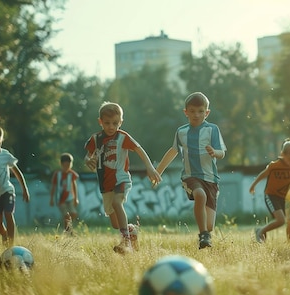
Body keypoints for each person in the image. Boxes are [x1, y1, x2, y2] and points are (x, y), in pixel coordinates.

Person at [84, 101, 161, 253]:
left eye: (115, 123)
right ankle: (131, 230)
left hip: (121, 179)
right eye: (107, 123)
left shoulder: (122, 137)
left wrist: (150, 167)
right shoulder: (95, 139)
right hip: (105, 184)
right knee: (114, 223)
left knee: (117, 203)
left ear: (121, 122)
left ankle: (126, 242)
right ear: (100, 122)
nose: (111, 127)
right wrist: (88, 160)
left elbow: (139, 149)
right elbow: (87, 156)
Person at [156, 92, 227, 249]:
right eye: (192, 111)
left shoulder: (212, 130)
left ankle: (206, 233)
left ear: (207, 112)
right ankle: (203, 236)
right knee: (199, 195)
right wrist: (158, 171)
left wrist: (215, 153)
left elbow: (222, 152)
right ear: (186, 112)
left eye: (201, 111)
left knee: (209, 225)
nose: (196, 115)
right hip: (191, 177)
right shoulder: (181, 132)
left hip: (211, 179)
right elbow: (173, 151)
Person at [250, 138, 290, 243]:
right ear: (283, 154)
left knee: (285, 221)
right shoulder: (275, 165)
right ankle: (260, 231)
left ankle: (261, 231)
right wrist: (253, 185)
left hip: (282, 197)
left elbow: (287, 180)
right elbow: (263, 174)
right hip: (271, 195)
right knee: (281, 220)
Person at [50, 153, 80, 235]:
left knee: (73, 213)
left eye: (69, 165)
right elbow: (53, 186)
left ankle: (68, 228)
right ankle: (69, 231)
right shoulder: (57, 174)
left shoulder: (71, 174)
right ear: (61, 164)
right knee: (66, 214)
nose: (67, 167)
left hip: (70, 198)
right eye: (65, 165)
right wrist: (52, 198)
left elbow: (74, 185)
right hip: (60, 199)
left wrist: (76, 198)